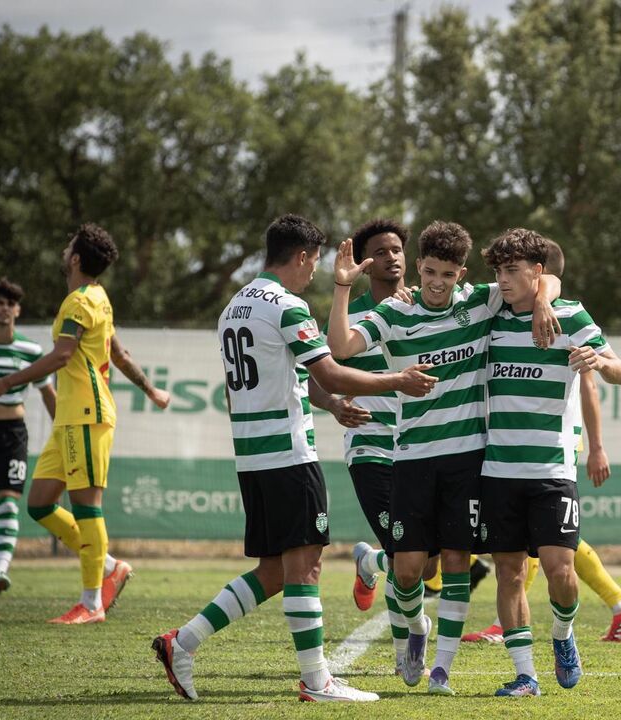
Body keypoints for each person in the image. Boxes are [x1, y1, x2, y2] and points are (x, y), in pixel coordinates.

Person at [152, 214, 437, 704]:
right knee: (305, 567)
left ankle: (184, 641)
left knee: (276, 571)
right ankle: (316, 680)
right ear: (302, 257)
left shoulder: (234, 307)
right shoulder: (287, 306)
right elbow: (334, 370)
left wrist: (328, 404)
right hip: (288, 451)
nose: (313, 275)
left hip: (252, 454)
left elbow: (283, 380)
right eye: (314, 264)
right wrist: (398, 381)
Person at [327, 220, 560, 695]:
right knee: (411, 569)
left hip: (467, 460)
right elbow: (338, 348)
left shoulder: (479, 301)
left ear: (462, 274)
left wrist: (541, 303)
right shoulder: (395, 312)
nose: (437, 283)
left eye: (448, 274)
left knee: (456, 560)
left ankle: (442, 671)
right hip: (411, 459)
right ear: (419, 267)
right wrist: (341, 288)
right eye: (430, 271)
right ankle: (415, 630)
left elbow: (547, 276)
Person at [0, 225, 169, 623]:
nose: (64, 251)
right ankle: (110, 564)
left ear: (76, 258)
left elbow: (62, 356)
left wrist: (4, 383)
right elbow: (119, 353)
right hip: (69, 420)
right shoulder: (98, 298)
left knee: (86, 509)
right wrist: (151, 390)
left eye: (68, 248)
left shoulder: (80, 302)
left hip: (86, 415)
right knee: (40, 504)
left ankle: (92, 602)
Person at [464, 240, 621, 645]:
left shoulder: (571, 316)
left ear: (537, 271)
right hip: (497, 469)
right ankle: (525, 673)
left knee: (559, 570)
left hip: (551, 468)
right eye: (498, 272)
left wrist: (598, 361)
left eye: (512, 271)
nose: (502, 280)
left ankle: (564, 635)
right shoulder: (489, 316)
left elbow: (620, 372)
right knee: (509, 573)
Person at [318, 217, 440, 673]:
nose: (391, 257)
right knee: (404, 558)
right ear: (365, 264)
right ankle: (408, 643)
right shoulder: (350, 319)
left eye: (396, 249)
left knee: (425, 566)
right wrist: (333, 404)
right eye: (381, 251)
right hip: (371, 448)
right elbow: (319, 375)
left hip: (422, 449)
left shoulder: (427, 306)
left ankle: (369, 562)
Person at [0, 278, 57, 595]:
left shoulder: (30, 350)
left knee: (9, 501)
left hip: (12, 433)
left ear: (17, 311)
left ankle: (2, 568)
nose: (4, 308)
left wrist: (62, 431)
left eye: (11, 304)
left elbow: (48, 392)